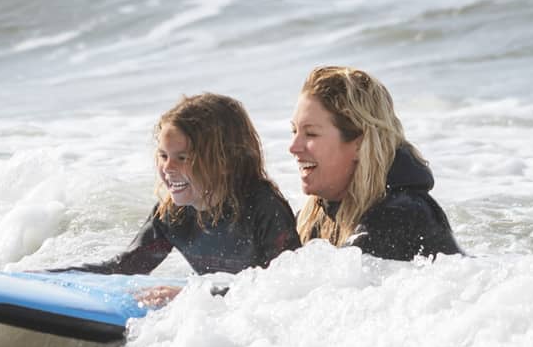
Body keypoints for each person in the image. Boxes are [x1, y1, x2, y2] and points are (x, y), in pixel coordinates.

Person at [51, 92, 299, 277]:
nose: (168, 168)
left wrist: (196, 297)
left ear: (224, 160)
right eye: (163, 156)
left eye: (182, 158)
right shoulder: (173, 215)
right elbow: (125, 267)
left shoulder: (263, 208)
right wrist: (51, 278)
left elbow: (283, 285)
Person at [290, 65, 461, 261]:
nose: (293, 147)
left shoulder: (401, 216)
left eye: (311, 134)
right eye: (294, 131)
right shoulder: (315, 217)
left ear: (359, 143)